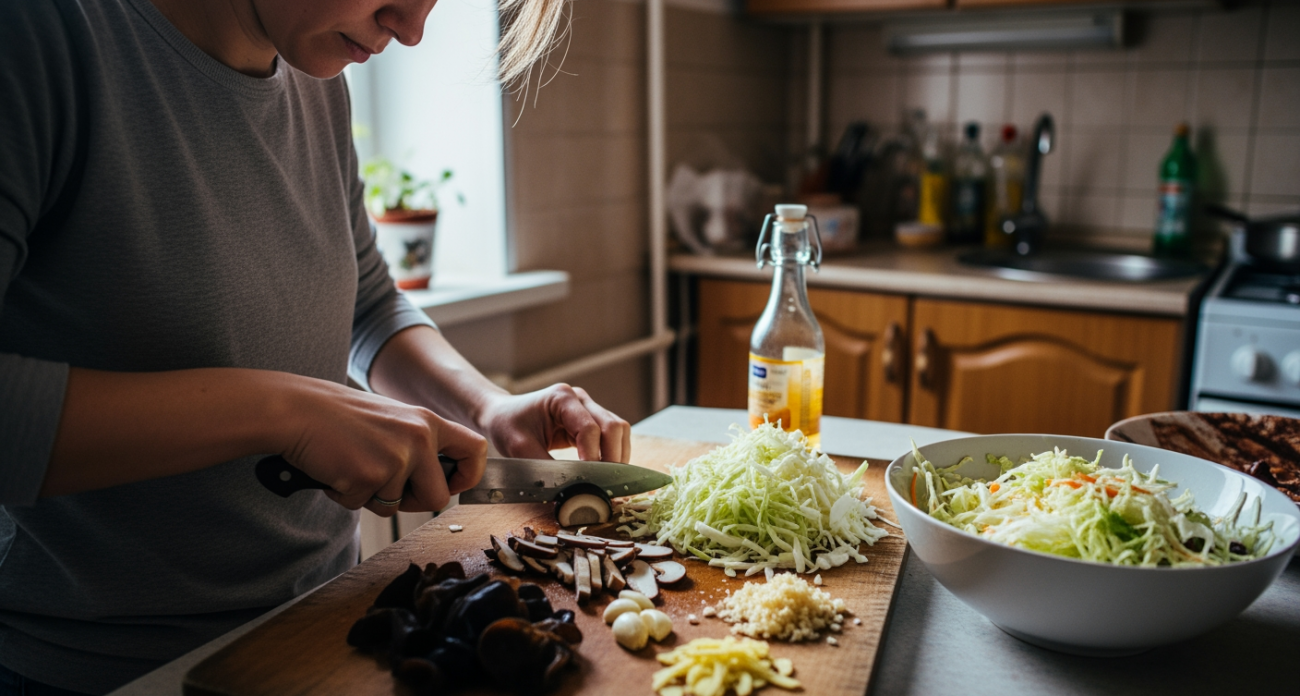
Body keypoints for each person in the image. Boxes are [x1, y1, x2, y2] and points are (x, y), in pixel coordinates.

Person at [0, 0, 620, 693]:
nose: (412, 29)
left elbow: (366, 300)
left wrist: (487, 408)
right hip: (103, 670)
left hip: (320, 625)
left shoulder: (316, 76)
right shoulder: (39, 33)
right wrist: (280, 412)